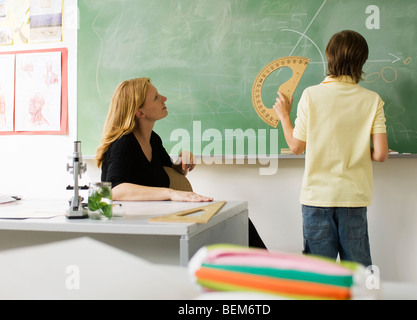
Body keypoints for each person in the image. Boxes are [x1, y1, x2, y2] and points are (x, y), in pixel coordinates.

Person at [95, 78, 266, 248]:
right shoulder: (123, 143)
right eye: (156, 97)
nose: (164, 98)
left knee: (238, 220)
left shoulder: (153, 140)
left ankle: (268, 273)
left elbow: (168, 172)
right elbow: (115, 190)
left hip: (158, 221)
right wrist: (170, 193)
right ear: (140, 112)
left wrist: (182, 161)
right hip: (137, 231)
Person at [273, 30, 389, 266]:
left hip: (317, 199)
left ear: (329, 58)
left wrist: (284, 116)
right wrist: (354, 146)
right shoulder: (372, 99)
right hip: (353, 199)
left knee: (318, 277)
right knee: (358, 273)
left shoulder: (310, 95)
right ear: (362, 61)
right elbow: (380, 154)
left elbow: (296, 146)